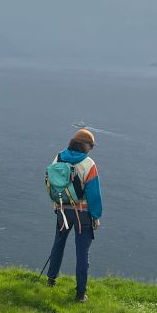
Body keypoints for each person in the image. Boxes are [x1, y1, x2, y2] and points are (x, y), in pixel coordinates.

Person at [46, 128, 103, 302]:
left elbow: (52, 183)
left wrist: (57, 204)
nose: (91, 148)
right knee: (82, 254)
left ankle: (51, 280)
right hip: (82, 215)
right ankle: (80, 294)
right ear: (83, 144)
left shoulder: (59, 157)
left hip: (62, 210)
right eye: (90, 145)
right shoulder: (89, 164)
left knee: (58, 244)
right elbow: (94, 194)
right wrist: (96, 216)